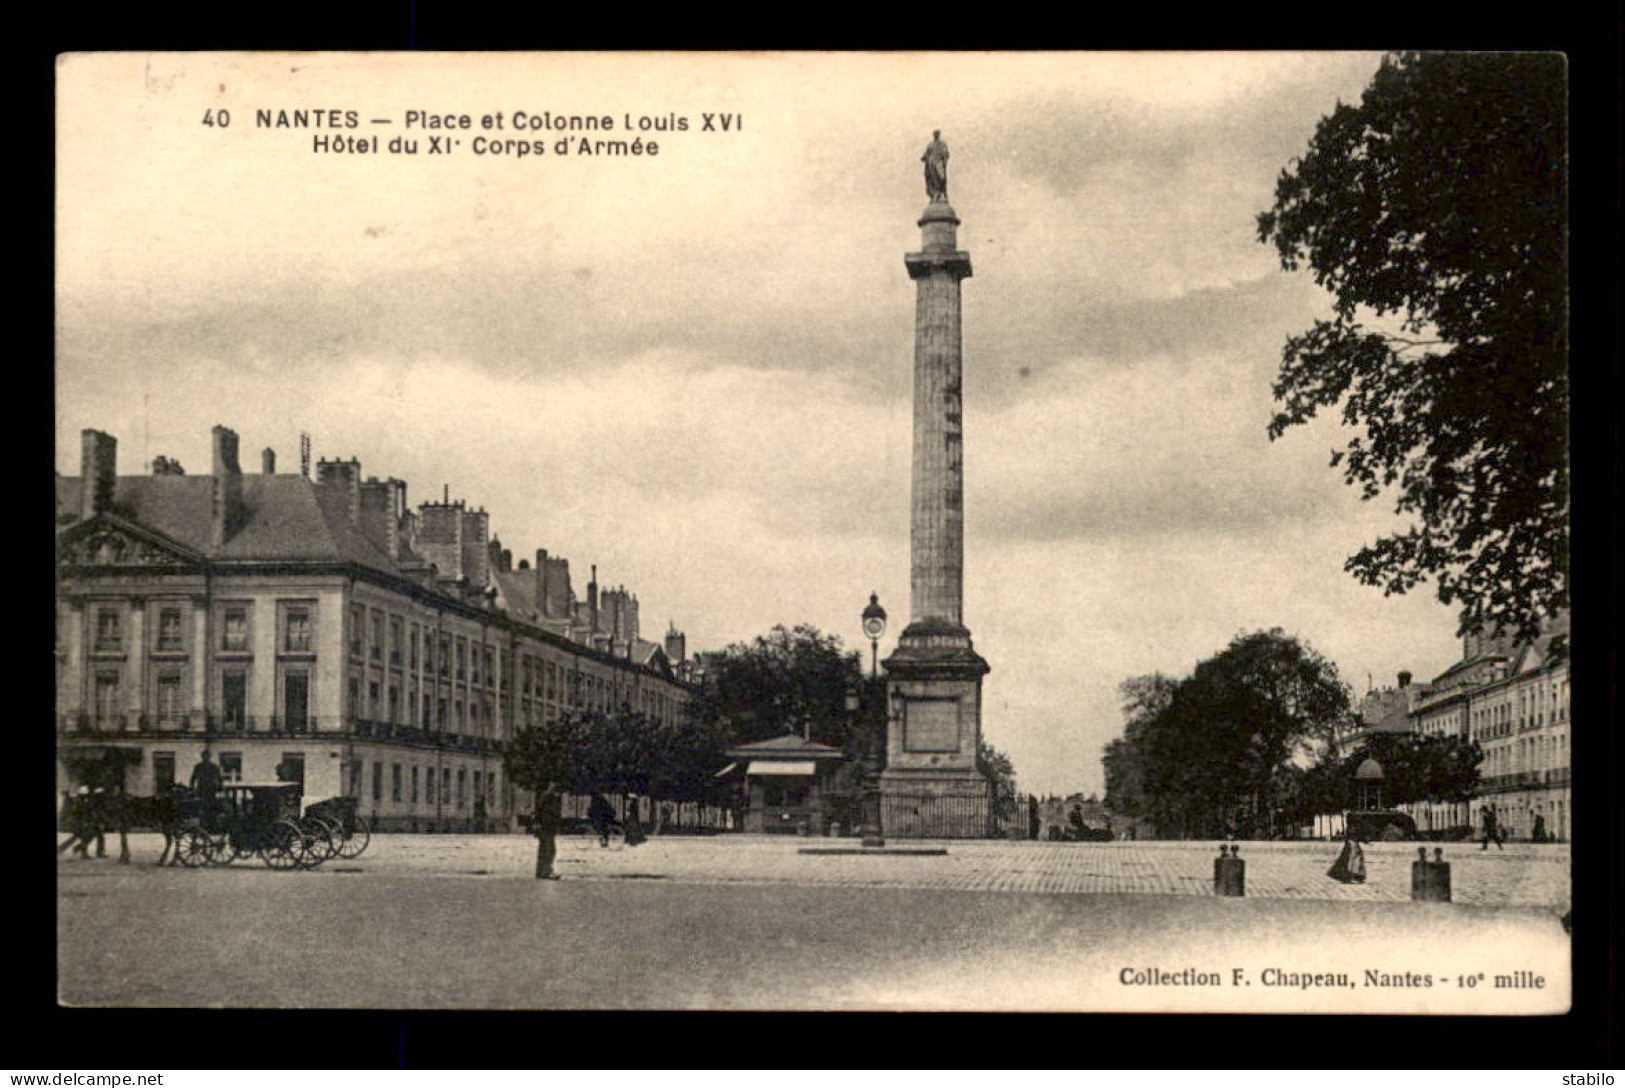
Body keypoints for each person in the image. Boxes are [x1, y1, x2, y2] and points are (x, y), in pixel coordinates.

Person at [532, 782, 562, 879]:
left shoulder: (546, 797)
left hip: (546, 827)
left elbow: (539, 812)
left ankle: (541, 871)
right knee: (549, 849)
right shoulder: (549, 798)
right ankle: (546, 871)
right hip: (547, 827)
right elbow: (547, 814)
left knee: (545, 849)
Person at [190, 749, 223, 826]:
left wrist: (220, 787)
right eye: (204, 756)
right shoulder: (198, 766)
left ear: (209, 757)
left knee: (212, 807)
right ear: (202, 757)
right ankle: (203, 824)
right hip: (201, 789)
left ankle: (212, 824)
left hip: (211, 790)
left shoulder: (214, 767)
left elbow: (219, 778)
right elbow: (193, 778)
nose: (205, 758)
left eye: (207, 756)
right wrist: (191, 788)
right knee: (201, 806)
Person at [922, 130, 949, 201]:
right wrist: (924, 157)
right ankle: (935, 193)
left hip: (939, 163)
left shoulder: (942, 144)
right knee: (933, 177)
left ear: (939, 135)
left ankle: (941, 193)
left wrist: (944, 157)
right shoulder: (931, 144)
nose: (936, 135)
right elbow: (926, 153)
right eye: (935, 134)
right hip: (931, 163)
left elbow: (946, 153)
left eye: (937, 134)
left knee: (941, 177)